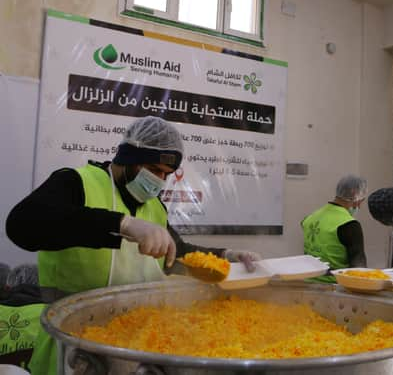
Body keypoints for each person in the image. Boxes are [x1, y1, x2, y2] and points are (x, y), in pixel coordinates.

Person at [5, 116, 260, 374]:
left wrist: (226, 256)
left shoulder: (154, 206)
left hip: (134, 344)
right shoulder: (76, 182)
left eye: (166, 174)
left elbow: (175, 253)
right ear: (128, 157)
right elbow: (21, 225)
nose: (160, 180)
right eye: (153, 169)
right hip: (74, 344)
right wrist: (122, 224)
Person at [302, 174, 368, 282]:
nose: (359, 206)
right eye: (361, 201)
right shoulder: (350, 224)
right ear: (355, 194)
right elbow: (358, 269)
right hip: (334, 288)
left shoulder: (310, 218)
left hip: (308, 284)